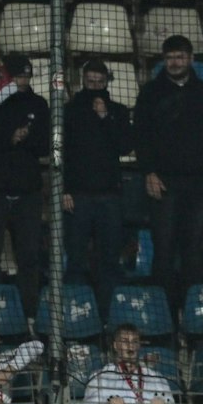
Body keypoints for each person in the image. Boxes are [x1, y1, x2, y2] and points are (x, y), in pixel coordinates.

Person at [134, 34, 203, 310]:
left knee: (192, 248)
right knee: (162, 248)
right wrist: (149, 172)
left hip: (198, 183)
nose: (174, 62)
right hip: (163, 182)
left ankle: (192, 312)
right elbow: (142, 135)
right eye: (170, 57)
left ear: (190, 59)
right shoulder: (151, 93)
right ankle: (163, 313)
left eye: (179, 57)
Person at [0, 54, 51, 318]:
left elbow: (43, 145)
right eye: (18, 76)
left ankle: (29, 315)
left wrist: (22, 140)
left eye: (26, 76)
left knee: (29, 256)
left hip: (28, 193)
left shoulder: (38, 105)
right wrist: (9, 138)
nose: (23, 81)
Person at [63, 61, 133, 300]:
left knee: (110, 259)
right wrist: (64, 190)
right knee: (75, 259)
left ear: (107, 82)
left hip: (109, 195)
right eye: (90, 82)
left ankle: (109, 313)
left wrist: (105, 117)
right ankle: (75, 311)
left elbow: (125, 146)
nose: (95, 86)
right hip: (78, 196)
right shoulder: (69, 111)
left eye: (99, 82)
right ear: (82, 81)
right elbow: (60, 153)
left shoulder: (118, 112)